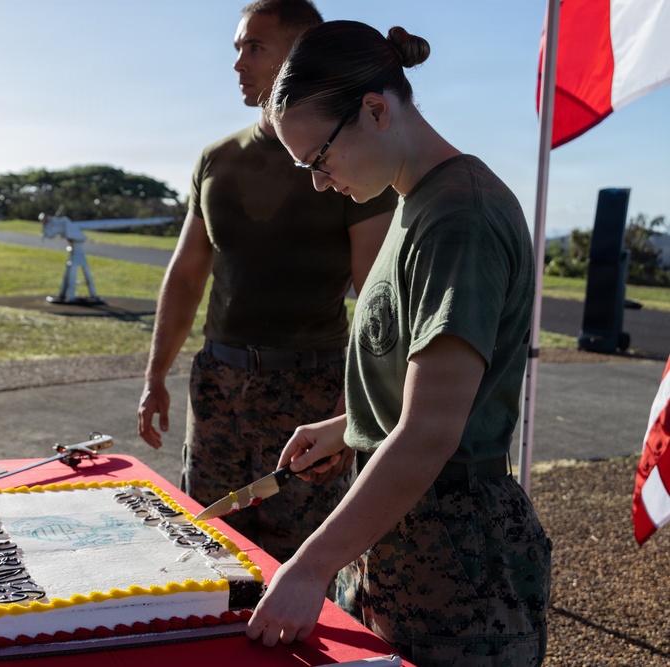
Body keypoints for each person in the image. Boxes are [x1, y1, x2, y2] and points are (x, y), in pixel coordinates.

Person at [245, 21, 552, 665]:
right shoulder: (418, 200)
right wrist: (347, 426)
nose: (319, 183)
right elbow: (420, 384)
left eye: (318, 159)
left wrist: (307, 567)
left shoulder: (458, 217)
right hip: (405, 538)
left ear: (377, 110)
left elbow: (432, 431)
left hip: (460, 566)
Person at [136, 0, 397, 564]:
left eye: (254, 47)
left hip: (306, 390)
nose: (238, 63)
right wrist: (156, 373)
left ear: (302, 54)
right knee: (204, 546)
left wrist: (357, 409)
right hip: (217, 384)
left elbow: (376, 296)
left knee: (297, 560)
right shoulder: (217, 159)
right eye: (237, 47)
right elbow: (186, 276)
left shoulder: (349, 158)